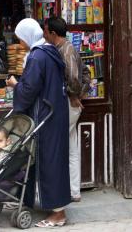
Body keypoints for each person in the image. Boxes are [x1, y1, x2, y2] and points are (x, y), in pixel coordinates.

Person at [6, 18, 70, 227]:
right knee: (51, 159)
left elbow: (29, 89)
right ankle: (41, 202)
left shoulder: (36, 57)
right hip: (55, 112)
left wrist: (16, 85)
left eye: (21, 39)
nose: (21, 44)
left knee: (48, 161)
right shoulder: (50, 51)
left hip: (45, 115)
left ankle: (58, 214)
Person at [43, 17, 91, 202]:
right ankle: (74, 191)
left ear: (53, 33)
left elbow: (73, 76)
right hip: (70, 103)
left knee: (57, 143)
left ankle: (62, 191)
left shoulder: (67, 49)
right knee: (72, 147)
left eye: (46, 31)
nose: (43, 34)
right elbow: (84, 72)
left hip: (68, 104)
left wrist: (74, 95)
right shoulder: (60, 48)